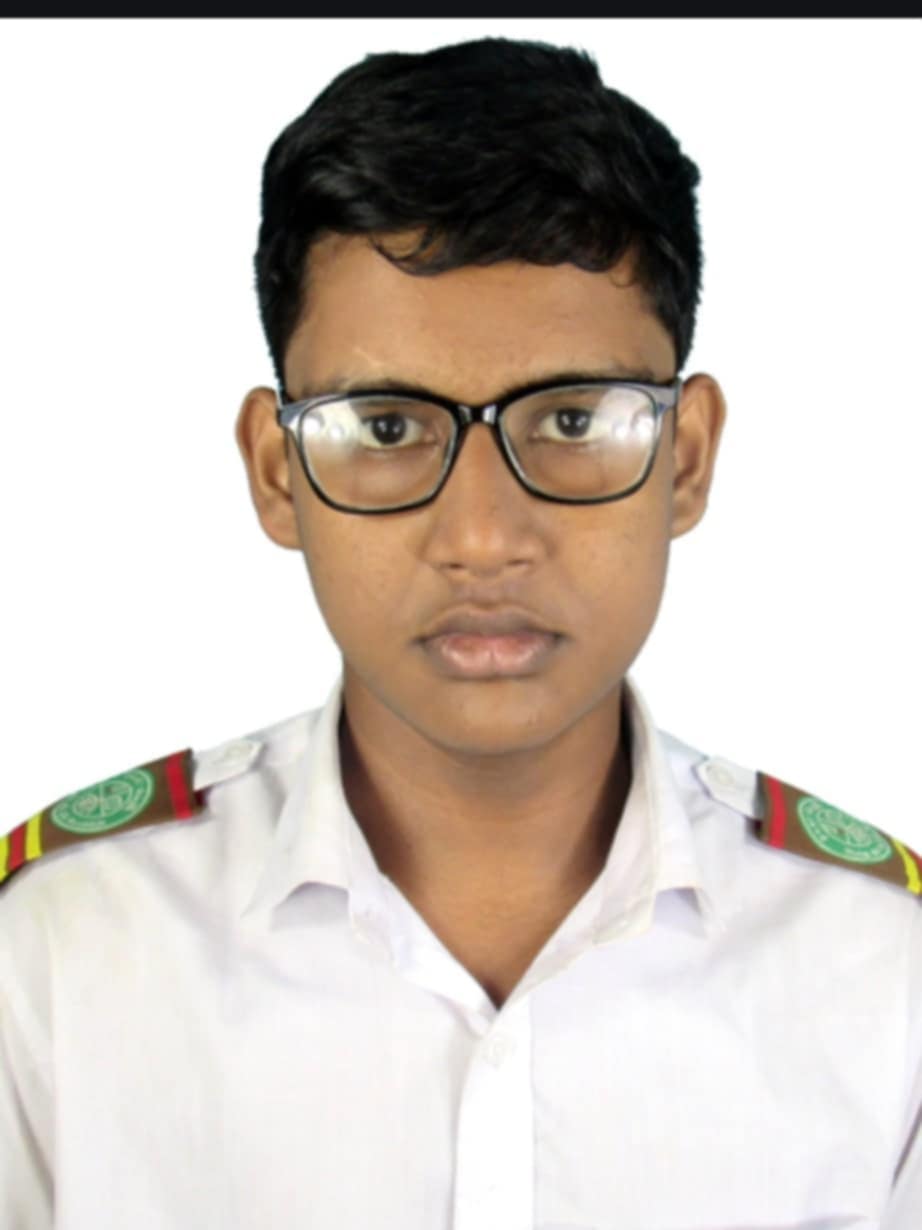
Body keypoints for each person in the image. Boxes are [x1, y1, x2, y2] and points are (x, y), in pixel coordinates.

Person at [1, 35, 919, 1230]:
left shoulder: (882, 975)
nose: (484, 538)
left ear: (686, 458)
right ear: (277, 473)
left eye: (573, 419)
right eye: (385, 428)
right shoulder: (57, 953)